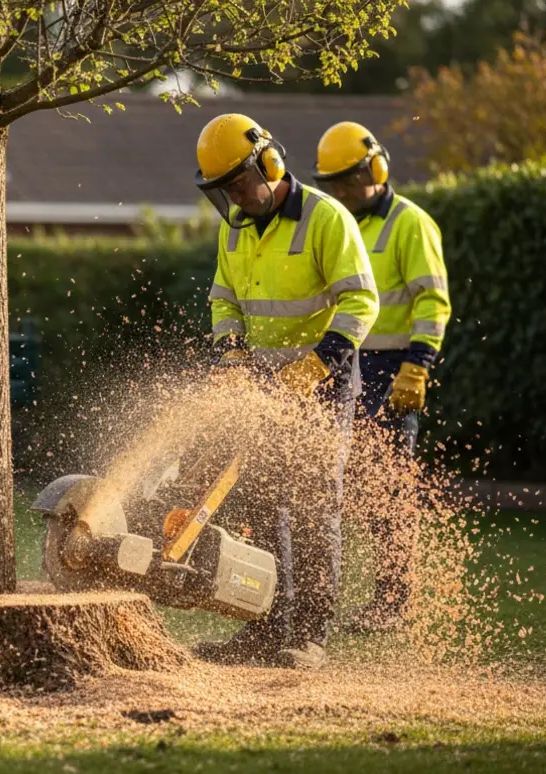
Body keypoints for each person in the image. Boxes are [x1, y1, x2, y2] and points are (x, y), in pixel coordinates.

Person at [192, 113, 379, 669]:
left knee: (313, 504)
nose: (235, 197)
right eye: (224, 190)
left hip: (324, 382)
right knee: (257, 501)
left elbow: (362, 300)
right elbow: (224, 300)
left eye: (239, 183)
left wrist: (318, 364)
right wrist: (231, 356)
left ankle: (311, 635)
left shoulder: (326, 218)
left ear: (269, 163)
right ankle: (263, 628)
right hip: (260, 382)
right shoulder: (234, 228)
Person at [313, 121, 452, 633]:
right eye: (334, 184)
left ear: (376, 169)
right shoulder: (338, 223)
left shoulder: (410, 223)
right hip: (346, 363)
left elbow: (433, 300)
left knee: (389, 486)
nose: (343, 192)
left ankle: (394, 601)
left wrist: (419, 365)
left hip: (394, 367)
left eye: (349, 180)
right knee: (341, 483)